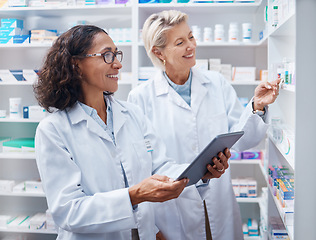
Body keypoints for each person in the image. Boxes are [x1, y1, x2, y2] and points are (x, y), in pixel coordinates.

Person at [33, 25, 230, 240]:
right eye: (107, 55)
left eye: (117, 55)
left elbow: (161, 166)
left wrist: (200, 172)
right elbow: (68, 211)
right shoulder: (53, 130)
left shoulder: (132, 114)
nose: (117, 64)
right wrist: (134, 196)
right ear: (76, 65)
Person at [128, 10, 280, 240]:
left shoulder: (216, 83)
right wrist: (152, 229)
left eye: (190, 36)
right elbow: (142, 167)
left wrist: (257, 106)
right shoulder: (140, 97)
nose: (191, 45)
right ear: (159, 53)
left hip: (217, 202)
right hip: (172, 209)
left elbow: (244, 140)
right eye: (180, 42)